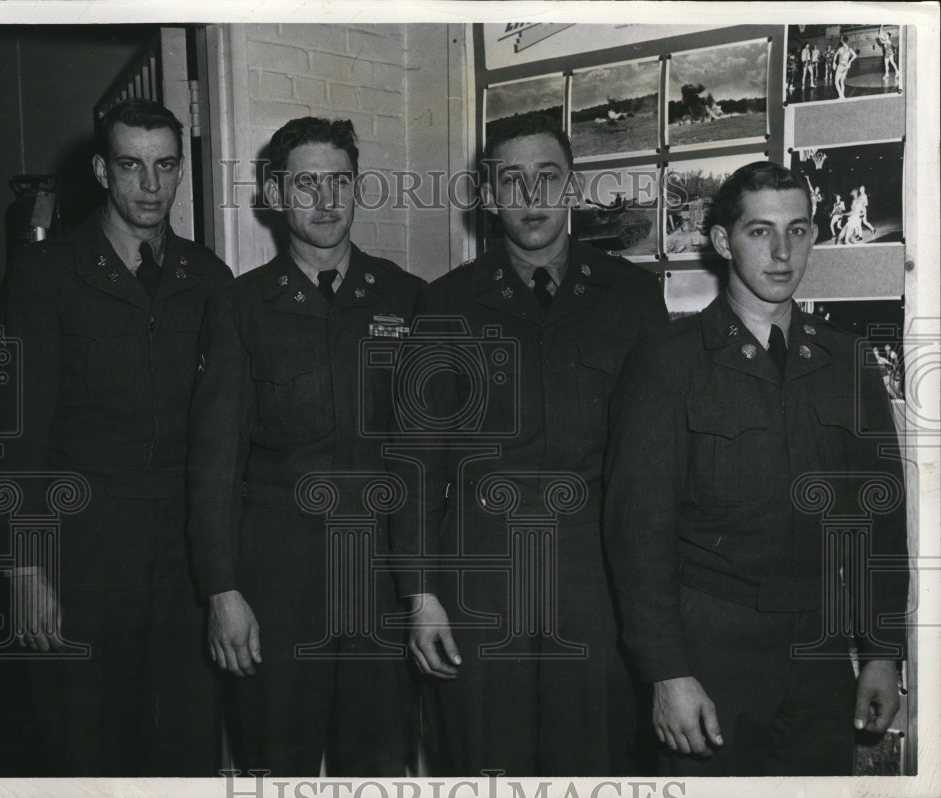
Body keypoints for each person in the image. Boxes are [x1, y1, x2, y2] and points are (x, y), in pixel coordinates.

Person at [604, 162, 908, 776]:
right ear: (723, 242)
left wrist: (881, 652)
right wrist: (668, 673)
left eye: (797, 231)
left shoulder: (846, 360)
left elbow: (880, 520)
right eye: (759, 231)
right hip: (710, 657)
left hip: (819, 658)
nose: (781, 252)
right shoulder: (671, 362)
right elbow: (638, 533)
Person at [394, 111, 668, 776]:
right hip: (480, 584)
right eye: (511, 181)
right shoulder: (445, 303)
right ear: (489, 196)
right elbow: (418, 465)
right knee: (486, 762)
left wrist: (657, 622)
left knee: (596, 764)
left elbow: (654, 470)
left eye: (547, 178)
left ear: (572, 187)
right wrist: (422, 595)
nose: (532, 196)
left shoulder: (631, 298)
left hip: (594, 584)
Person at [0, 98, 233, 775]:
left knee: (185, 747)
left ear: (181, 171)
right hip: (83, 556)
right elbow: (15, 436)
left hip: (181, 562)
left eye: (164, 167)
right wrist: (23, 565)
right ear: (102, 170)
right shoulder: (45, 276)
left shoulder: (208, 278)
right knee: (86, 751)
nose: (150, 187)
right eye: (131, 166)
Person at [186, 117, 424, 775]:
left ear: (358, 189)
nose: (325, 200)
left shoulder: (406, 299)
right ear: (274, 194)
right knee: (275, 769)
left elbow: (426, 462)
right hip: (276, 588)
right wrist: (222, 592)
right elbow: (214, 465)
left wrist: (425, 590)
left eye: (339, 182)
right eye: (307, 183)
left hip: (379, 584)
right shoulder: (240, 307)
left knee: (377, 769)